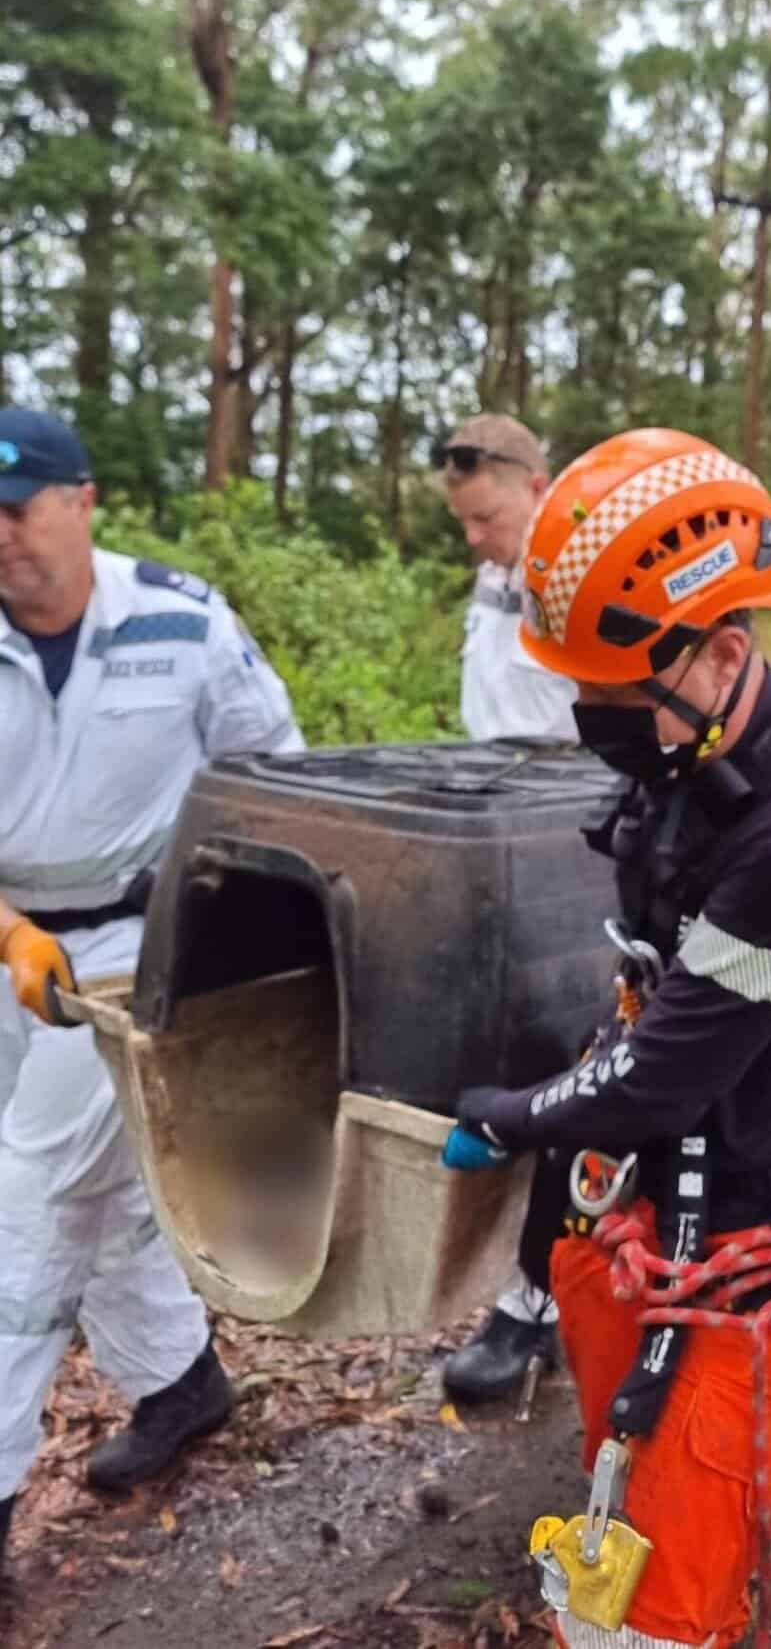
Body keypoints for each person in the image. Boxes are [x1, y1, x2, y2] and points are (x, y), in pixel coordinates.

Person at [443, 427, 771, 1649]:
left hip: (752, 1255)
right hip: (651, 1216)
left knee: (659, 1608)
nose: (590, 713)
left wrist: (508, 1116)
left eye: (611, 689)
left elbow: (660, 1074)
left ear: (724, 653)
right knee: (616, 1493)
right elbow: (645, 992)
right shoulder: (692, 754)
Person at [0, 406, 303, 1569]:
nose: (2, 536)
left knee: (27, 1213)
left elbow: (276, 779)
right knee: (103, 1191)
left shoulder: (182, 623)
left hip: (141, 947)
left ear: (81, 503)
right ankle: (180, 1379)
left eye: (18, 509)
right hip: (16, 944)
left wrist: (253, 950)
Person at [436, 415, 579, 1403]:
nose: (475, 537)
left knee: (566, 1070)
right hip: (497, 839)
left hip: (575, 845)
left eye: (486, 517)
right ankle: (535, 1282)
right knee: (506, 1062)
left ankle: (534, 1300)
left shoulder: (581, 582)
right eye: (463, 521)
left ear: (537, 487)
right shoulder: (495, 580)